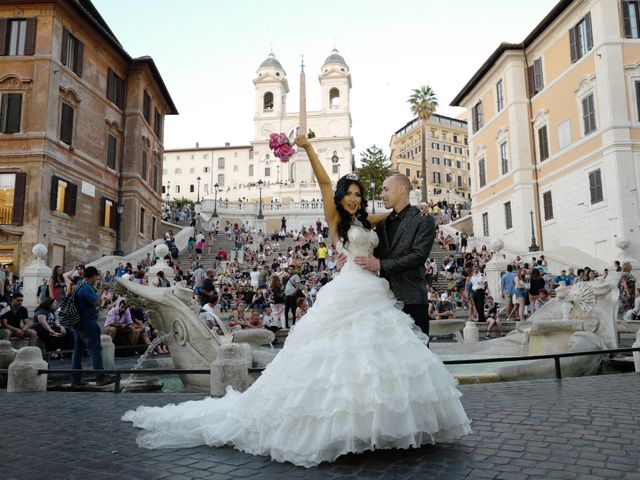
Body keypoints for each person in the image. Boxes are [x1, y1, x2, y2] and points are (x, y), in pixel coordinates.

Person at [123, 134, 471, 468]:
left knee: (373, 362)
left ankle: (376, 427)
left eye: (357, 193)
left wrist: (425, 207)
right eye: (347, 193)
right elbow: (323, 183)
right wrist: (308, 148)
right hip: (349, 290)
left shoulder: (369, 219)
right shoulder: (335, 220)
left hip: (377, 292)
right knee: (338, 361)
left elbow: (398, 218)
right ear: (339, 197)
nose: (352, 198)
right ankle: (339, 428)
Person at [354, 173, 435, 335]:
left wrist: (381, 265)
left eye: (385, 189)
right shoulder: (382, 224)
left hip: (412, 300)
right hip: (384, 302)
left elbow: (418, 256)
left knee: (418, 356)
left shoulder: (424, 219)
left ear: (401, 189)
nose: (381, 195)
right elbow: (370, 253)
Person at [71, 267, 114, 387]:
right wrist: (100, 293)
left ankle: (76, 379)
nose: (97, 279)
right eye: (97, 276)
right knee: (95, 349)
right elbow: (98, 302)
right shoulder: (86, 287)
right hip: (88, 322)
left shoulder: (78, 285)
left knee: (78, 351)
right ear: (93, 275)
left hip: (77, 322)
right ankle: (100, 377)